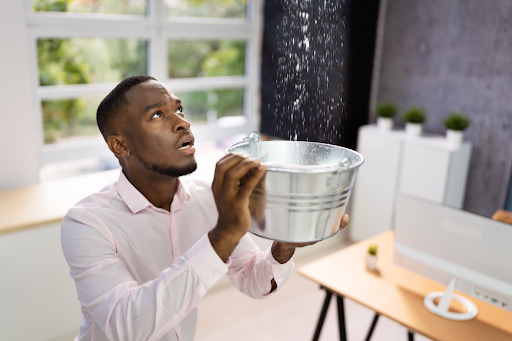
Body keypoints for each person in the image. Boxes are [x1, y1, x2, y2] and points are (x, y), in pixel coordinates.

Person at [61, 75, 349, 341]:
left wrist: (283, 246)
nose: (182, 123)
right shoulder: (87, 223)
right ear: (120, 146)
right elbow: (128, 326)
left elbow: (252, 278)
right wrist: (223, 235)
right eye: (157, 114)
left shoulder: (204, 198)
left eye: (180, 110)